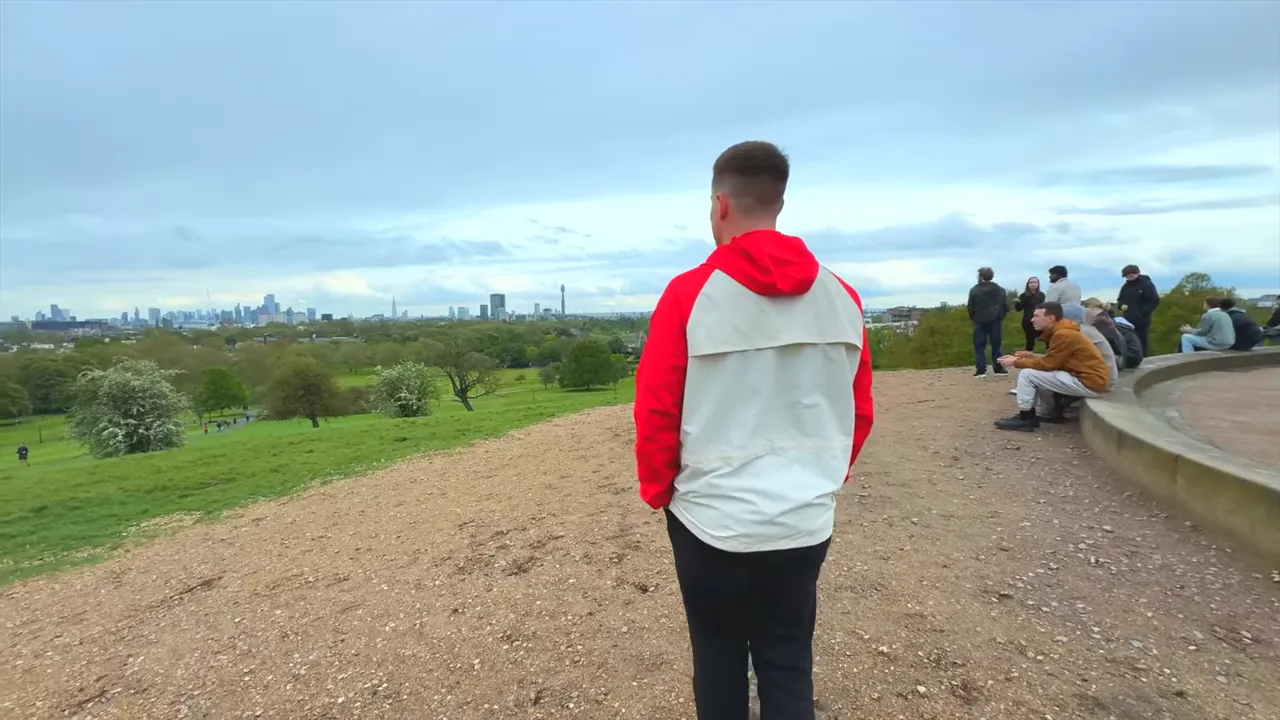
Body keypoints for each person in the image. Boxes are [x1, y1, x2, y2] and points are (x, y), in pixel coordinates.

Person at [634, 140, 874, 720]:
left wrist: (659, 491)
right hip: (803, 518)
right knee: (789, 661)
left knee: (717, 660)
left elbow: (657, 412)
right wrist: (821, 478)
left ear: (720, 204)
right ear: (780, 202)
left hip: (710, 519)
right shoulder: (841, 297)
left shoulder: (690, 295)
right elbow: (858, 411)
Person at [993, 302, 1111, 432]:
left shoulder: (1064, 334)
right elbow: (1055, 360)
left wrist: (1016, 362)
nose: (1032, 319)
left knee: (1028, 374)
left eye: (1037, 316)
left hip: (1091, 383)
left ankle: (1026, 418)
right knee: (1038, 375)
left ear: (1051, 318)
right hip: (1092, 380)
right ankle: (1052, 412)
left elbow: (1048, 364)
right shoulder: (1064, 331)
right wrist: (1030, 356)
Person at [967, 267, 1009, 378]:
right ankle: (998, 368)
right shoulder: (1000, 290)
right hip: (995, 320)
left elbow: (970, 307)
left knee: (979, 345)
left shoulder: (974, 290)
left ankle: (981, 369)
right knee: (996, 344)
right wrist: (1000, 316)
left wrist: (975, 318)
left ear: (980, 276)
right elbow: (1005, 306)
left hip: (980, 320)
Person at [1116, 265, 1160, 355]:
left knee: (1141, 339)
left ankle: (1143, 357)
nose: (1129, 278)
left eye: (1131, 276)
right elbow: (1120, 299)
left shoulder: (1146, 284)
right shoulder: (1125, 287)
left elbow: (1154, 300)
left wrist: (1141, 312)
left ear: (1137, 274)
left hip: (1142, 319)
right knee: (1128, 340)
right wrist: (1121, 306)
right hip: (1127, 319)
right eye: (1127, 277)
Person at [1014, 277, 1045, 351]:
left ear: (1038, 284)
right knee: (1030, 339)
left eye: (1035, 282)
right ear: (1028, 284)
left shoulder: (1041, 295)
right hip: (1028, 321)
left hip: (1040, 320)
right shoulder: (1024, 295)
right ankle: (1028, 356)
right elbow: (1019, 309)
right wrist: (1018, 303)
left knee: (1046, 338)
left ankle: (1049, 355)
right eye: (1031, 282)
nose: (1033, 284)